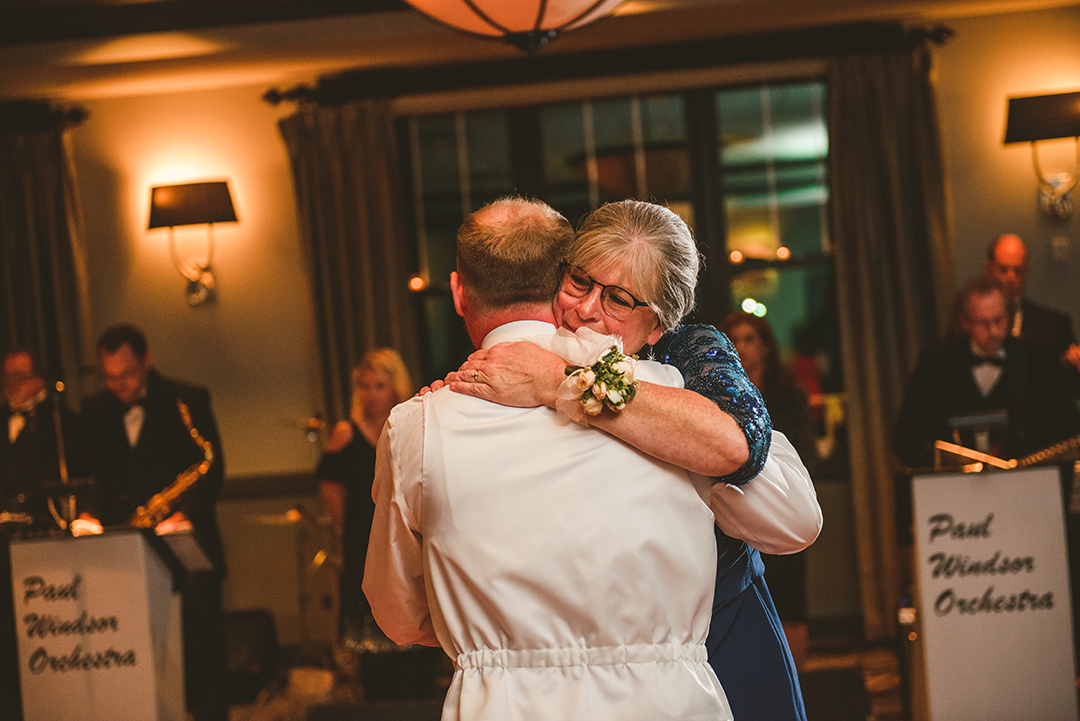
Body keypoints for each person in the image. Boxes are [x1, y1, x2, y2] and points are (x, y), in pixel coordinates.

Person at [366, 196, 747, 721]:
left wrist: (480, 626)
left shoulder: (417, 426)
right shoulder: (667, 393)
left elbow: (396, 615)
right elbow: (794, 523)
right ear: (561, 282)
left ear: (457, 291)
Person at [445, 199, 821, 721]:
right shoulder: (536, 355)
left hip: (722, 630)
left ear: (658, 327)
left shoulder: (690, 363)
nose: (587, 309)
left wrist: (567, 385)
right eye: (579, 281)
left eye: (619, 299)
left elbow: (793, 517)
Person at [79, 324, 228, 721]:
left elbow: (211, 469)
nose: (118, 385)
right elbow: (90, 475)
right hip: (124, 552)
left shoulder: (187, 399)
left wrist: (186, 514)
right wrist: (88, 513)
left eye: (126, 374)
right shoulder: (94, 411)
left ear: (147, 361)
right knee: (135, 661)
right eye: (110, 377)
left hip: (185, 550)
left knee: (200, 663)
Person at [893, 275, 1080, 471]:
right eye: (983, 323)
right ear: (965, 322)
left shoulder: (1039, 361)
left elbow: (1069, 431)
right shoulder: (936, 364)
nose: (993, 331)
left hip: (1029, 485)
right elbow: (905, 438)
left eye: (999, 320)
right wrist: (940, 474)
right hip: (955, 491)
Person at [720, 311, 815, 669]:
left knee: (790, 603)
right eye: (735, 340)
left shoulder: (789, 395)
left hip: (781, 502)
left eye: (750, 339)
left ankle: (794, 686)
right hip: (733, 511)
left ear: (765, 346)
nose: (743, 348)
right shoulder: (716, 395)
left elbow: (805, 456)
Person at [316, 347, 413, 648]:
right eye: (365, 386)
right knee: (365, 631)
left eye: (379, 386)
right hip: (362, 534)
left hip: (403, 532)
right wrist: (346, 526)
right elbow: (328, 482)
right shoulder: (346, 432)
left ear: (395, 387)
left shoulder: (408, 426)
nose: (371, 395)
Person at [984, 233, 1080, 391]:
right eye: (1003, 269)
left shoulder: (1054, 324)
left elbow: (1071, 389)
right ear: (989, 268)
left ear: (1026, 269)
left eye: (1018, 270)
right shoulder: (971, 322)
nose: (1011, 277)